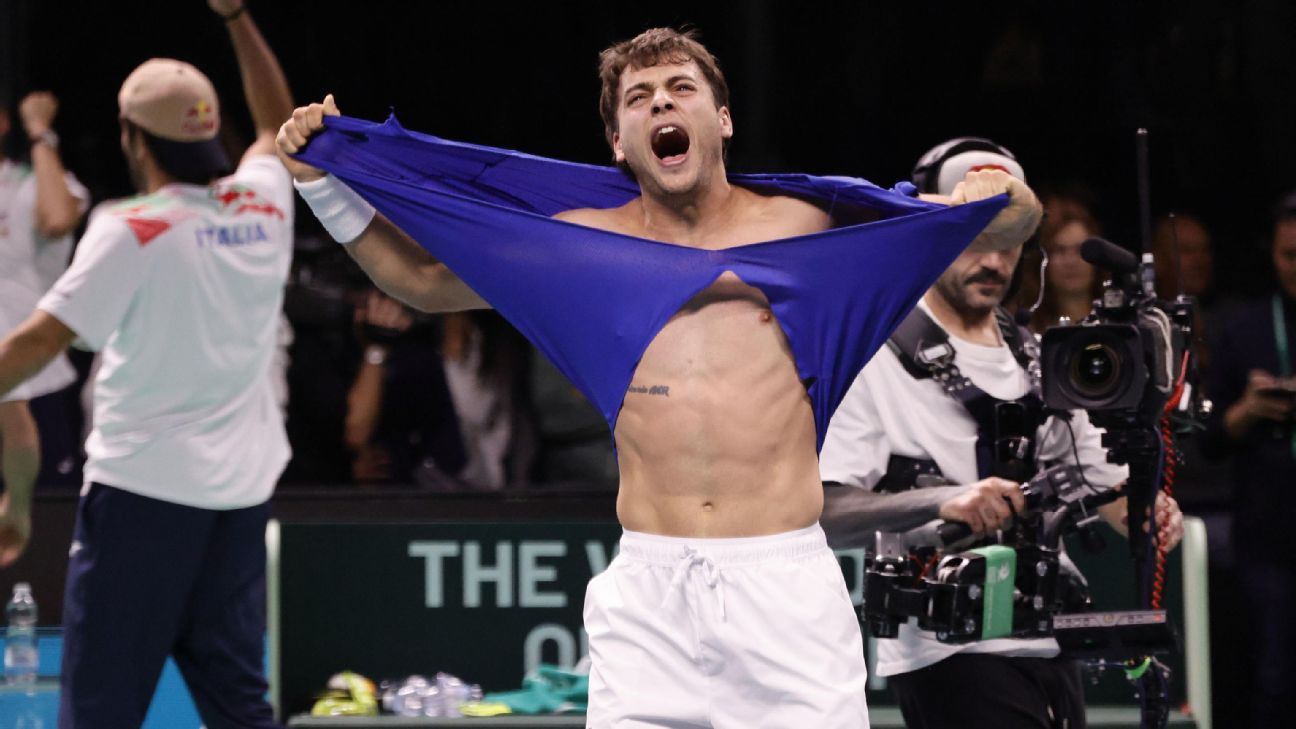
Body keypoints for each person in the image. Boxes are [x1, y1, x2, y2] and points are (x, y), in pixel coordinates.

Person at [277, 28, 1041, 728]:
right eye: (639, 98)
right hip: (648, 597)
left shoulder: (812, 226)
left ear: (723, 119)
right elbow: (419, 281)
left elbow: (1009, 222)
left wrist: (995, 191)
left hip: (784, 593)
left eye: (680, 88)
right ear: (618, 141)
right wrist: (318, 181)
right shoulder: (582, 247)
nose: (661, 105)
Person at [819, 138, 1184, 729]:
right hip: (946, 651)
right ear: (930, 236)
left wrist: (1146, 512)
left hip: (1049, 640)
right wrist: (944, 501)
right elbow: (826, 510)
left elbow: (1104, 486)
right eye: (974, 236)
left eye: (1008, 239)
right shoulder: (873, 358)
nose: (993, 260)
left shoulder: (1041, 358)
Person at [0, 1, 294, 726]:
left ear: (132, 138)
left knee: (99, 711)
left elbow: (36, 345)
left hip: (139, 502)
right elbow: (275, 125)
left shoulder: (130, 228)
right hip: (237, 503)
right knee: (239, 707)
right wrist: (236, 16)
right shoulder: (264, 205)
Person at [1201, 190, 1296, 729]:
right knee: (1272, 674)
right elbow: (1209, 440)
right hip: (1268, 532)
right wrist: (1249, 409)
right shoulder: (1246, 328)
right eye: (1289, 255)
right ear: (1271, 254)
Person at [0, 91, 89, 563]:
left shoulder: (35, 182)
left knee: (49, 543)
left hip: (39, 384)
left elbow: (57, 219)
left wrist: (40, 135)